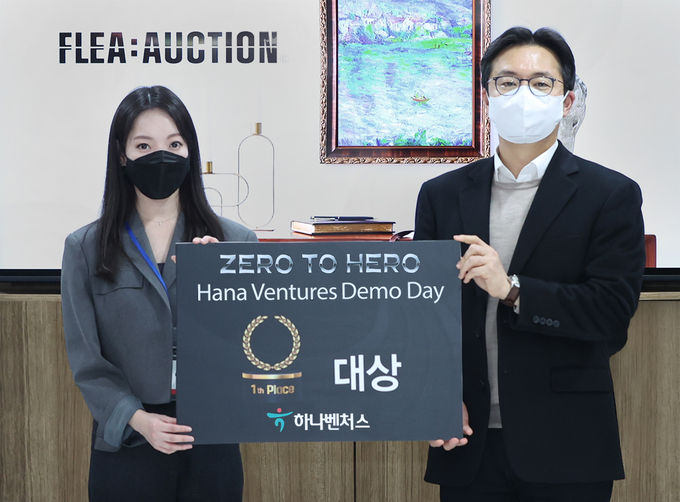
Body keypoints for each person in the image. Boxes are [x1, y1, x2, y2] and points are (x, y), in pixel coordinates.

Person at [415, 27, 645, 502]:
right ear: (487, 97)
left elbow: (610, 316)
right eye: (507, 82)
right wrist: (437, 397)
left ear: (566, 101)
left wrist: (512, 290)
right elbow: (425, 318)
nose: (523, 94)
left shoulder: (610, 195)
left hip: (567, 442)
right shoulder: (441, 195)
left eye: (541, 83)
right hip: (468, 438)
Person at [61, 85, 257, 501]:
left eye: (174, 144)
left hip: (210, 436)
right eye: (144, 146)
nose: (161, 157)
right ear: (122, 155)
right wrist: (137, 420)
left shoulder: (235, 243)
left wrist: (222, 286)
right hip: (128, 440)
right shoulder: (85, 248)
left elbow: (255, 347)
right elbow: (87, 362)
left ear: (190, 151)